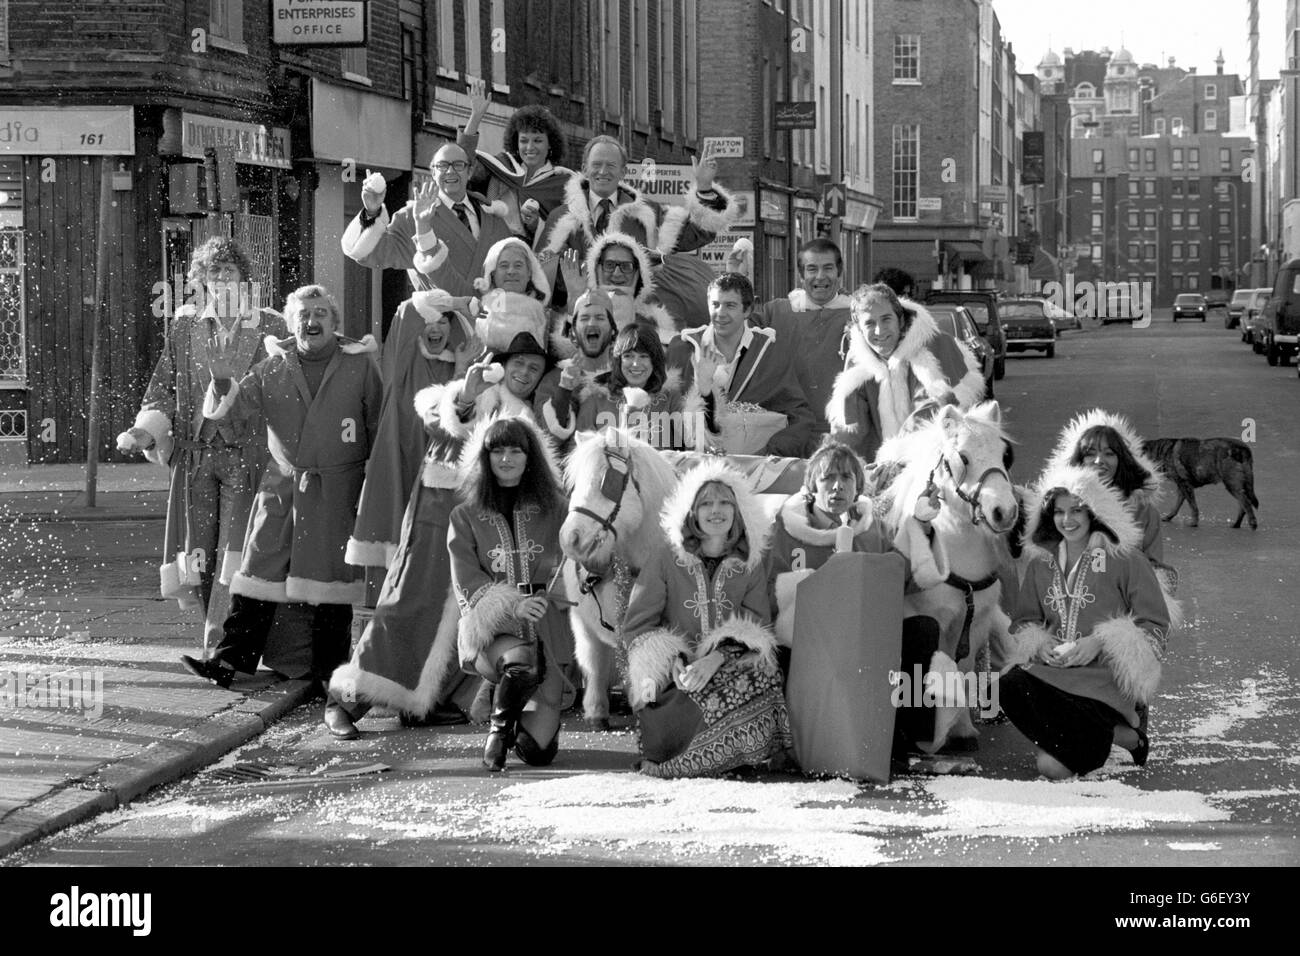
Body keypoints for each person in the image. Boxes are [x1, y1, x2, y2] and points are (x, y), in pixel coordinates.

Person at [327, 299, 557, 739]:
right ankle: (347, 700)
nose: (525, 373)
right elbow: (437, 417)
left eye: (534, 367)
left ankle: (425, 705)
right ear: (498, 363)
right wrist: (467, 397)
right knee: (406, 607)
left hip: (485, 526)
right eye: (518, 364)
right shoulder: (464, 390)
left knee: (471, 617)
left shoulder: (525, 421)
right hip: (436, 517)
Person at [179, 285, 382, 693]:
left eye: (321, 312)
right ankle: (228, 660)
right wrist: (221, 384)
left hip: (338, 489)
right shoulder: (272, 368)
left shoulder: (361, 366)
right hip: (282, 487)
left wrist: (374, 489)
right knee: (258, 571)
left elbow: (378, 428)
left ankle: (329, 676)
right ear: (291, 323)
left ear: (335, 322)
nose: (312, 320)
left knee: (331, 584)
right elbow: (233, 415)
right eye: (304, 314)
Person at [117, 238, 287, 648]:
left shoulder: (270, 326)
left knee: (235, 549)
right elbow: (163, 389)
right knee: (200, 553)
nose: (222, 277)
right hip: (196, 459)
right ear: (202, 280)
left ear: (244, 278)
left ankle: (219, 644)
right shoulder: (185, 326)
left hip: (248, 457)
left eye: (230, 270)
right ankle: (220, 636)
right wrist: (146, 430)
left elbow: (284, 392)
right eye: (214, 271)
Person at [766, 438, 964, 761]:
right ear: (811, 486)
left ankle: (906, 738)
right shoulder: (786, 532)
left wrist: (922, 526)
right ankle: (801, 742)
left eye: (846, 478)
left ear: (858, 487)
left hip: (864, 639)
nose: (837, 486)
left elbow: (903, 580)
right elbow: (770, 593)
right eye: (827, 478)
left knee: (922, 630)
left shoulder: (872, 531)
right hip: (808, 641)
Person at [620, 459, 793, 778]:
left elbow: (758, 628)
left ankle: (722, 756)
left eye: (725, 502)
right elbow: (636, 626)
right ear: (691, 511)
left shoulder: (749, 561)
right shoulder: (665, 557)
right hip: (673, 677)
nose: (717, 510)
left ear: (738, 509)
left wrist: (716, 658)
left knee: (765, 673)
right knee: (662, 688)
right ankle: (689, 754)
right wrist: (671, 659)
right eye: (706, 503)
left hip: (726, 667)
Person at [1001, 464, 1169, 778]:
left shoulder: (1126, 559)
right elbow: (1024, 621)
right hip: (1055, 674)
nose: (1068, 520)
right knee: (1008, 685)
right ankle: (1124, 737)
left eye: (1077, 510)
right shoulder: (1041, 565)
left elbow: (1155, 624)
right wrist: (1041, 642)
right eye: (1059, 512)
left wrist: (1101, 641)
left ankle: (1111, 731)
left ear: (1093, 511)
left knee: (1051, 766)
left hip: (1105, 679)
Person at [449, 415, 572, 772]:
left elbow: (574, 563)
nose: (506, 458)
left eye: (516, 450)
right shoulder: (465, 515)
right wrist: (514, 607)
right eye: (497, 450)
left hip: (547, 624)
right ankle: (499, 731)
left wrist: (550, 595)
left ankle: (511, 704)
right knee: (521, 660)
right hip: (493, 630)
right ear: (485, 458)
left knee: (538, 753)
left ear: (529, 457)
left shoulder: (557, 508)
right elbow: (466, 581)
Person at [344, 295, 477, 583]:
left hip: (436, 480)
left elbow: (457, 419)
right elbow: (407, 310)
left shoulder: (458, 366)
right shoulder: (401, 362)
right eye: (429, 320)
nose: (435, 327)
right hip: (396, 470)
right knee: (388, 577)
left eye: (443, 321)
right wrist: (455, 301)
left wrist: (460, 369)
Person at [536, 135, 735, 319]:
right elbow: (541, 279)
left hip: (637, 328)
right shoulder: (560, 218)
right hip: (582, 325)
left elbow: (699, 232)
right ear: (585, 168)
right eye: (596, 165)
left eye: (611, 165)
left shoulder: (649, 214)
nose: (603, 171)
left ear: (623, 171)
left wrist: (704, 188)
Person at [828, 283, 985, 462]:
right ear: (860, 330)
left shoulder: (934, 347)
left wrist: (894, 459)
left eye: (886, 319)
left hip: (939, 462)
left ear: (900, 320)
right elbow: (851, 429)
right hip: (884, 468)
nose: (879, 330)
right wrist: (838, 464)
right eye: (870, 323)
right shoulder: (858, 363)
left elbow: (934, 413)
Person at [668, 272, 817, 457]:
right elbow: (664, 412)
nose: (720, 313)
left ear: (747, 310)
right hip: (695, 467)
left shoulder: (771, 352)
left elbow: (800, 417)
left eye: (730, 305)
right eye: (715, 304)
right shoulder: (683, 348)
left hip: (757, 468)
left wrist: (771, 452)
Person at [340, 143, 514, 296]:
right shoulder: (412, 217)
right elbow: (371, 253)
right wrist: (371, 212)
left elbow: (512, 269)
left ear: (469, 171)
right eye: (442, 165)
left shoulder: (492, 216)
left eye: (458, 165)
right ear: (433, 172)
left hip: (489, 324)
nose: (450, 171)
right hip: (440, 326)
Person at [543, 320, 701, 450]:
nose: (635, 364)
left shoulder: (670, 397)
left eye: (644, 356)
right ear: (618, 360)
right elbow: (578, 450)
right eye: (628, 356)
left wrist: (705, 385)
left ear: (655, 361)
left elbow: (692, 443)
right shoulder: (597, 397)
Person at [755, 238, 854, 437]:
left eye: (828, 268)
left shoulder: (859, 316)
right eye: (811, 269)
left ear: (839, 273)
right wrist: (736, 275)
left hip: (844, 431)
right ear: (801, 275)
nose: (820, 276)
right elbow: (734, 327)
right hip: (787, 432)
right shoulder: (777, 312)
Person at [459, 94, 572, 243]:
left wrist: (535, 225)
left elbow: (563, 237)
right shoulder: (501, 167)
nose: (530, 147)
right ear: (516, 143)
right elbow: (461, 162)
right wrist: (475, 117)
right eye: (524, 141)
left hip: (529, 258)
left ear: (550, 144)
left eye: (537, 140)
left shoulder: (563, 184)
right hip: (491, 249)